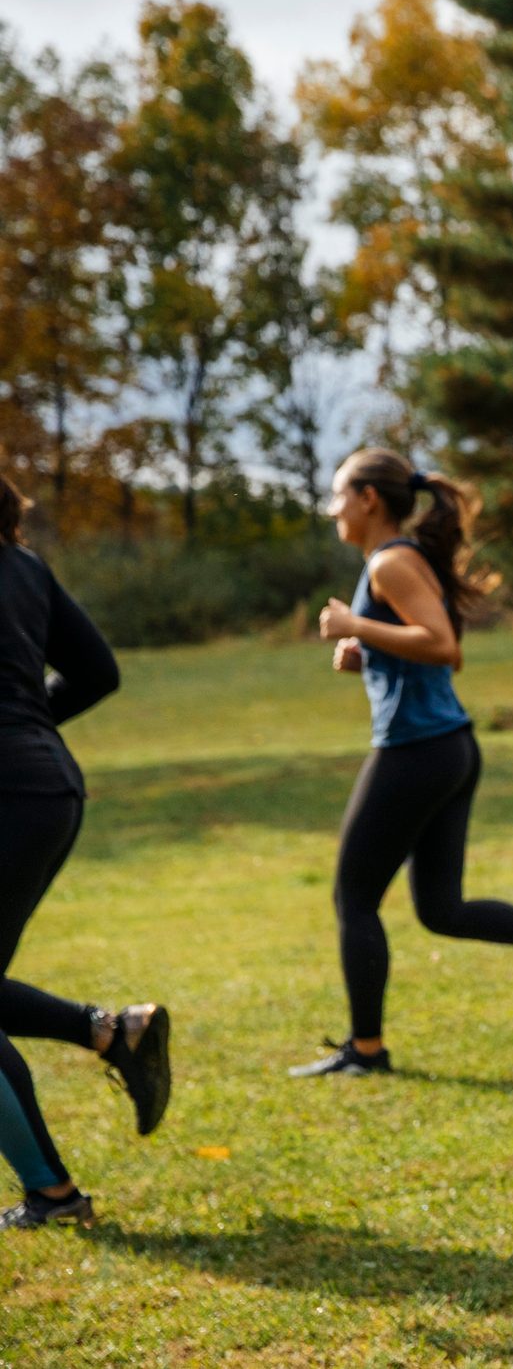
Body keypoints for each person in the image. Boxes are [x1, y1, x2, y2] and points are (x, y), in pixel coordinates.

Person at [290, 449, 513, 1077]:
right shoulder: (396, 562)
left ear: (367, 500)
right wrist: (371, 653)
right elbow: (434, 649)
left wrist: (353, 624)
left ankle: (366, 1052)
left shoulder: (391, 562)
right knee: (441, 909)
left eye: (337, 494)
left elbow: (442, 646)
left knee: (353, 897)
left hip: (418, 752)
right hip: (444, 749)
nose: (330, 508)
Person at [0, 472, 171, 1229]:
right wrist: (31, 724)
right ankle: (112, 1031)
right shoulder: (24, 565)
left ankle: (56, 1195)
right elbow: (98, 672)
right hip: (47, 788)